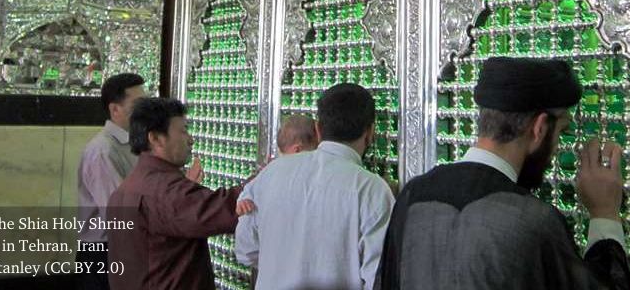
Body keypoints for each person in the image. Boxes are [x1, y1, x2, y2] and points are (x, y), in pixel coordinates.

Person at [375, 57, 630, 290]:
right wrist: (604, 214)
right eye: (561, 132)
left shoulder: (413, 195)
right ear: (539, 128)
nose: (556, 150)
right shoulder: (532, 220)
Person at [235, 83, 395, 290]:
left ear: (318, 129)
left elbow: (245, 251)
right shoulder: (372, 190)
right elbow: (379, 277)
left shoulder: (269, 174)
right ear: (370, 132)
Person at [107, 97, 244, 290]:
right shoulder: (165, 190)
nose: (191, 139)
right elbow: (225, 210)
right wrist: (270, 176)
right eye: (183, 131)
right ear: (155, 138)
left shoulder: (127, 189)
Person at [75, 73, 145, 290]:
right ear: (115, 109)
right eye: (139, 104)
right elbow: (118, 213)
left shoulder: (132, 144)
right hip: (103, 254)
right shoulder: (103, 150)